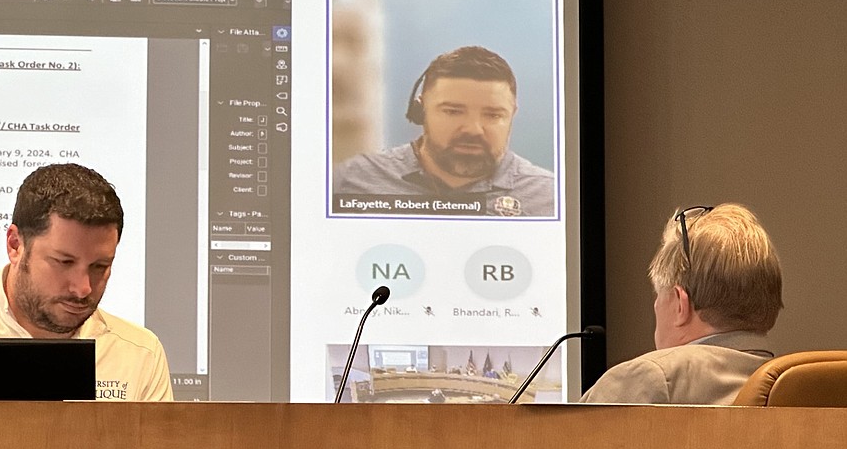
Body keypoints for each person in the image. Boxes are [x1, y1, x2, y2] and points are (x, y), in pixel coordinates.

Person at [0, 163, 174, 401]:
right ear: (15, 245)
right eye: (64, 262)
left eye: (99, 266)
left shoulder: (140, 354)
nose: (82, 289)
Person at [580, 203, 782, 405]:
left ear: (680, 304)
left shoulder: (650, 379)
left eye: (659, 296)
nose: (656, 306)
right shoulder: (792, 382)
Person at [332, 45, 555, 217]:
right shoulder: (352, 179)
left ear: (512, 115)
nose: (473, 129)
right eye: (453, 111)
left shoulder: (549, 195)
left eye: (493, 115)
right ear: (421, 110)